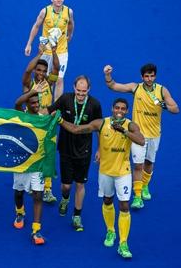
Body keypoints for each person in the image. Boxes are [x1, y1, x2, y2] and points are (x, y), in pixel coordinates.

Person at [58, 98, 145, 259]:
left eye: (123, 109)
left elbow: (141, 140)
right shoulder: (101, 123)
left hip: (123, 173)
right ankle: (110, 231)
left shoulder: (130, 125)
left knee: (124, 205)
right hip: (105, 172)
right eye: (117, 107)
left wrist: (124, 131)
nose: (119, 111)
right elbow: (77, 129)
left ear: (126, 111)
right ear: (112, 108)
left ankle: (123, 243)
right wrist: (61, 120)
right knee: (107, 201)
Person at [104, 64, 179, 209]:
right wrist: (107, 75)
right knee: (138, 165)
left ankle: (145, 186)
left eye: (152, 76)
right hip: (138, 135)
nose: (149, 79)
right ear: (142, 77)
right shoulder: (135, 88)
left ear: (155, 76)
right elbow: (113, 86)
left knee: (149, 163)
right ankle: (137, 196)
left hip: (155, 134)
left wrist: (164, 105)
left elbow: (175, 109)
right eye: (146, 76)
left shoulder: (162, 90)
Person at [46, 75, 102, 231]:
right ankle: (65, 198)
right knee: (65, 186)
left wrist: (100, 148)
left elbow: (99, 128)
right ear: (73, 88)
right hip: (65, 149)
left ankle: (77, 216)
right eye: (78, 90)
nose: (81, 94)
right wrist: (31, 114)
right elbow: (48, 111)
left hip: (84, 151)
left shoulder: (95, 104)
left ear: (89, 89)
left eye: (84, 91)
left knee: (80, 184)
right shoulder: (65, 99)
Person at [22, 42, 60, 204]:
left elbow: (56, 69)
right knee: (31, 152)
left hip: (47, 125)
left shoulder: (49, 83)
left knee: (48, 154)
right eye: (39, 70)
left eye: (44, 71)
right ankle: (30, 183)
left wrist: (53, 51)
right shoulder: (28, 83)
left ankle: (48, 189)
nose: (41, 73)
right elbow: (27, 70)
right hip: (31, 125)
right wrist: (39, 54)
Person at [24, 0, 74, 100]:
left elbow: (71, 24)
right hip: (46, 50)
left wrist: (70, 35)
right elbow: (36, 26)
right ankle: (45, 105)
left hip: (61, 50)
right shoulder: (45, 11)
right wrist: (29, 44)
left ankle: (57, 108)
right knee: (46, 79)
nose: (58, 0)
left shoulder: (68, 11)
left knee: (59, 79)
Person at [13, 86, 48, 245]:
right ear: (27, 105)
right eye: (32, 102)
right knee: (19, 193)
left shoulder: (43, 117)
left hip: (37, 163)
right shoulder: (22, 116)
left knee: (38, 195)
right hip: (21, 163)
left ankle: (36, 229)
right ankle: (20, 212)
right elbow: (17, 103)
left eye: (37, 102)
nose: (36, 105)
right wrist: (33, 91)